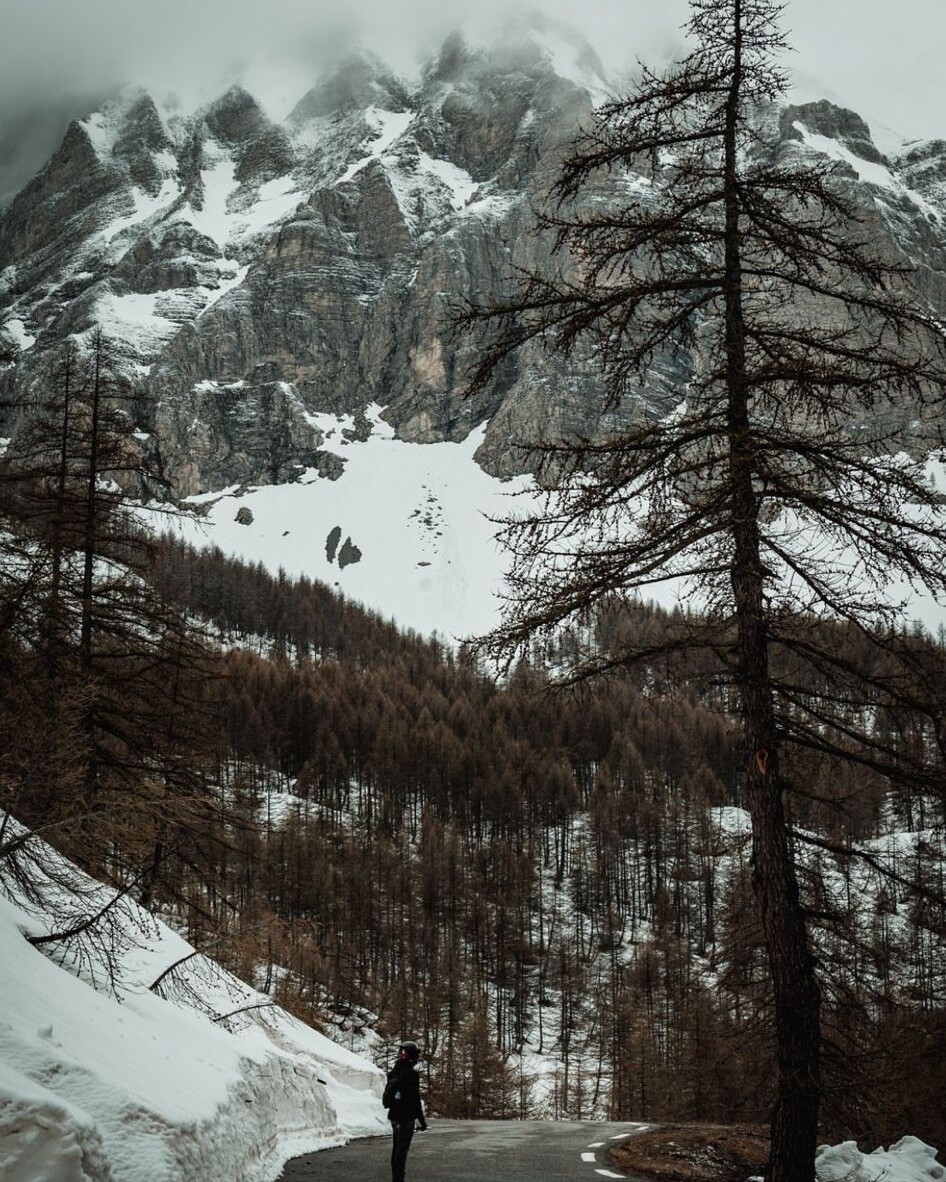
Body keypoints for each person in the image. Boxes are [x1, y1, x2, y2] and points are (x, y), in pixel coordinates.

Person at [385, 1039, 427, 1182]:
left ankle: (395, 1177)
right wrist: (422, 1121)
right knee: (402, 1151)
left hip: (394, 1116)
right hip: (406, 1117)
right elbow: (415, 1100)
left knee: (396, 1148)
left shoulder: (395, 1070)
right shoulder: (412, 1074)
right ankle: (398, 1179)